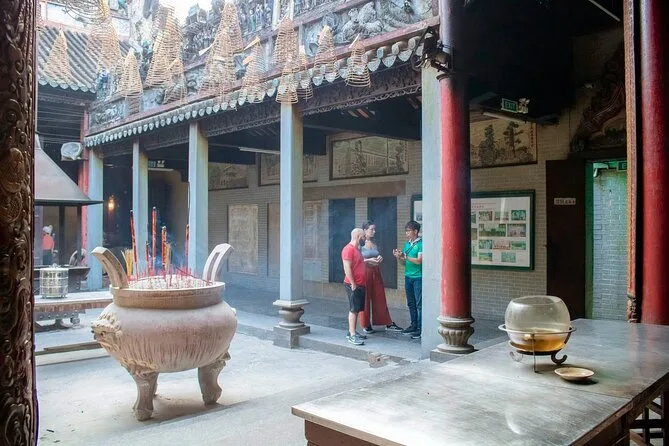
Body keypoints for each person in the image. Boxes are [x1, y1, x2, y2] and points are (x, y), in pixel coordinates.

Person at [359, 220, 403, 334]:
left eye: (374, 229)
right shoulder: (360, 243)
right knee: (365, 298)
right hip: (365, 272)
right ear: (365, 230)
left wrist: (380, 258)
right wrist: (368, 260)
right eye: (371, 229)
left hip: (376, 271)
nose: (374, 231)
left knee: (380, 296)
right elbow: (357, 260)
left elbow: (377, 255)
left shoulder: (375, 242)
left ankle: (386, 322)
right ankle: (365, 324)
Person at [393, 220, 423, 340]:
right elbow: (404, 263)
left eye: (408, 231)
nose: (406, 233)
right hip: (408, 277)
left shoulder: (421, 244)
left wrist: (405, 256)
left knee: (419, 304)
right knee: (411, 303)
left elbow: (419, 261)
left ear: (415, 231)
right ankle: (413, 325)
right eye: (406, 231)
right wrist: (399, 257)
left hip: (418, 277)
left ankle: (420, 329)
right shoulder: (407, 245)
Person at [342, 228, 367, 346]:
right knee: (353, 309)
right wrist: (353, 283)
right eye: (363, 236)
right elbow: (347, 268)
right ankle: (352, 335)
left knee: (356, 309)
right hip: (353, 284)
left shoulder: (357, 249)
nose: (364, 239)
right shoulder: (348, 249)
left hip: (360, 284)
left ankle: (352, 331)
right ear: (357, 236)